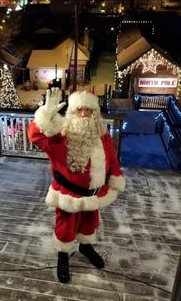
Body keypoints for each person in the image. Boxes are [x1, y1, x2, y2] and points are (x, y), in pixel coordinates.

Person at [27, 88, 125, 283]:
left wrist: (115, 176)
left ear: (94, 112)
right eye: (79, 110)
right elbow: (36, 136)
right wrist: (46, 114)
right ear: (72, 112)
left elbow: (111, 158)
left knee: (89, 223)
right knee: (66, 226)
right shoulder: (61, 135)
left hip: (94, 192)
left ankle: (85, 247)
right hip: (69, 193)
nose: (84, 114)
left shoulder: (102, 135)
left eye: (88, 110)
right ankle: (63, 255)